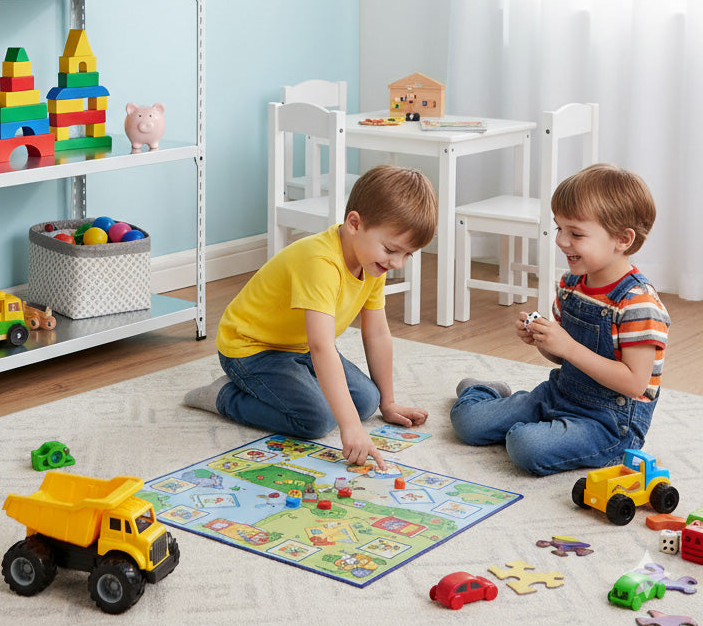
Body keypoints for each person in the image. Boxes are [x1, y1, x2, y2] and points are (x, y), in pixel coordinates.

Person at [184, 164, 438, 467]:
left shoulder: (373, 261)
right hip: (251, 348)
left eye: (407, 254)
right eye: (391, 250)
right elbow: (322, 347)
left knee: (368, 401)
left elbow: (377, 333)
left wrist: (389, 401)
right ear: (355, 223)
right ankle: (224, 396)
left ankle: (290, 386)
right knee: (317, 419)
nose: (398, 263)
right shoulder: (319, 262)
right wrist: (351, 428)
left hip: (298, 347)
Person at [450, 163, 669, 476]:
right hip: (558, 395)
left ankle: (523, 423)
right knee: (468, 423)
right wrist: (543, 340)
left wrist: (567, 348)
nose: (561, 241)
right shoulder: (571, 283)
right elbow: (560, 356)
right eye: (559, 229)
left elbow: (634, 383)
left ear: (622, 239)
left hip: (607, 423)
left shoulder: (639, 304)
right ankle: (488, 393)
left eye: (576, 234)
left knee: (525, 446)